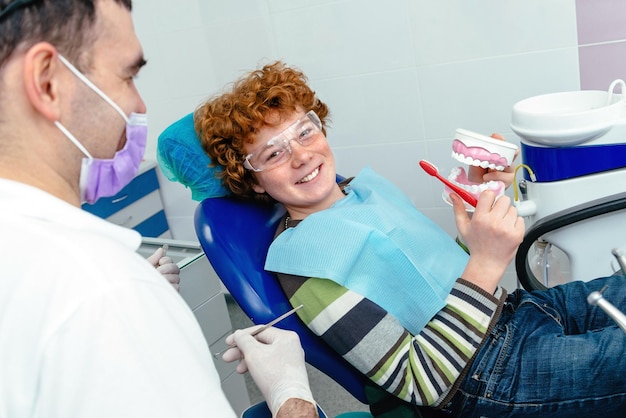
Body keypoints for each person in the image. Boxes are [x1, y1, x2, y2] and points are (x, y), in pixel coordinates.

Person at [193, 60, 626, 417]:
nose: (302, 155)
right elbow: (422, 380)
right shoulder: (306, 266)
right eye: (273, 153)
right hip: (479, 380)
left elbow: (435, 280)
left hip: (515, 315)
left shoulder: (362, 192)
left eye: (304, 131)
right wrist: (487, 261)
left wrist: (479, 203)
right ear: (251, 182)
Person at [0, 2, 318, 417]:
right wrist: (291, 396)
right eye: (128, 75)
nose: (139, 105)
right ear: (46, 82)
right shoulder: (103, 293)